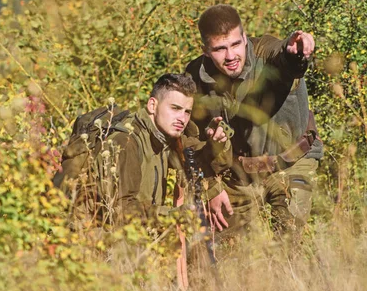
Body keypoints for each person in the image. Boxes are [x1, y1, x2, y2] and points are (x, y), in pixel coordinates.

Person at [185, 4, 323, 235]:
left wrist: (295, 53)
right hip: (237, 175)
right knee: (227, 255)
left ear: (245, 37)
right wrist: (211, 187)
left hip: (291, 164)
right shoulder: (195, 76)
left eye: (236, 44)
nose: (231, 56)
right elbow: (189, 139)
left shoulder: (266, 53)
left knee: (288, 242)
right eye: (220, 49)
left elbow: (281, 56)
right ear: (205, 50)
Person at [53, 73, 233, 228]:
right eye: (175, 108)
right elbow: (119, 210)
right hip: (96, 242)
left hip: (134, 237)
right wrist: (171, 216)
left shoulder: (163, 136)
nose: (182, 118)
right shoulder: (126, 142)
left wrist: (216, 142)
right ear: (152, 106)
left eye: (187, 112)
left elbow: (199, 160)